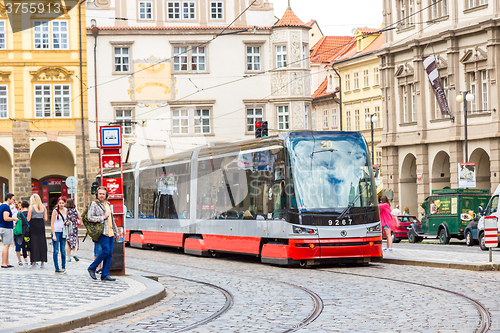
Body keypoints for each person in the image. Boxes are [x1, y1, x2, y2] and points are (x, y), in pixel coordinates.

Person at [87, 186, 120, 281]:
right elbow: (90, 217)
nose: (101, 195)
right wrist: (102, 217)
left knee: (109, 253)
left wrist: (116, 232)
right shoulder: (94, 204)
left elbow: (112, 220)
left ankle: (105, 275)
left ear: (106, 195)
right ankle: (92, 267)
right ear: (97, 195)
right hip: (101, 232)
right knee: (106, 250)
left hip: (110, 232)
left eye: (103, 194)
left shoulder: (108, 204)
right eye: (100, 194)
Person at [27, 194, 48, 268]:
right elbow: (45, 219)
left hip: (33, 225)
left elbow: (28, 219)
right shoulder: (44, 207)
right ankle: (42, 262)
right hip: (41, 225)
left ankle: (34, 263)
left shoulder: (31, 207)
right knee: (42, 243)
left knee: (34, 243)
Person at [50, 196, 68, 274]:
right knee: (56, 250)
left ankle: (63, 266)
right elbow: (52, 223)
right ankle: (57, 267)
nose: (61, 204)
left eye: (62, 203)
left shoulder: (66, 210)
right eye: (60, 203)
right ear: (58, 203)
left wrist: (67, 223)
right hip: (56, 231)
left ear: (65, 203)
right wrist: (53, 234)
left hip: (63, 231)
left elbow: (66, 219)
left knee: (63, 250)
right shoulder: (55, 211)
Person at [0, 193, 17, 268]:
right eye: (12, 199)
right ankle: (4, 263)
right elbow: (6, 218)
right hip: (6, 228)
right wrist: (14, 218)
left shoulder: (1, 206)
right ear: (8, 199)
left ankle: (7, 262)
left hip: (3, 227)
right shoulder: (6, 207)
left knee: (7, 245)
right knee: (6, 245)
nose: (13, 201)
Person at [14, 201, 30, 266]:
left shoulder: (19, 214)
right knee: (29, 246)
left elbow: (17, 223)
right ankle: (32, 260)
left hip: (20, 231)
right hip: (28, 230)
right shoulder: (30, 213)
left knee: (20, 246)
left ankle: (22, 261)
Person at [65, 198, 81, 263]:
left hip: (68, 226)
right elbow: (79, 217)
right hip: (74, 226)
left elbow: (64, 218)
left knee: (67, 241)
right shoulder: (75, 210)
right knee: (75, 240)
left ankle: (69, 257)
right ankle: (75, 253)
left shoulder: (66, 210)